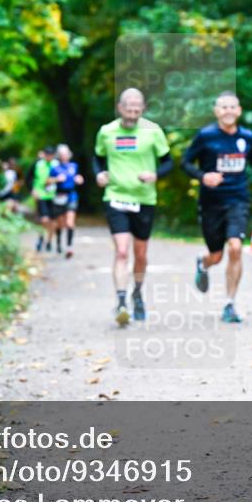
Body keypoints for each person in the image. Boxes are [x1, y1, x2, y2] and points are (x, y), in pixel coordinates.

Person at [183, 91, 252, 323]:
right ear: (216, 111)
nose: (228, 111)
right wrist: (203, 176)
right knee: (216, 256)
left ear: (239, 111)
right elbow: (185, 162)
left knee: (236, 247)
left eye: (232, 107)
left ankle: (229, 304)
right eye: (223, 107)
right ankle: (203, 263)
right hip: (211, 203)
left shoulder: (247, 136)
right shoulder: (205, 136)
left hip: (238, 199)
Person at [93, 88, 173, 326]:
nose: (133, 109)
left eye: (137, 105)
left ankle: (137, 292)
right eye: (129, 104)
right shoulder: (106, 131)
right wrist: (99, 174)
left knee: (140, 254)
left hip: (144, 199)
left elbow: (168, 162)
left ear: (143, 108)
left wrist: (155, 175)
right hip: (115, 196)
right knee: (121, 251)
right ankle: (120, 302)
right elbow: (97, 158)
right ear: (120, 107)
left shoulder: (153, 131)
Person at [49, 144, 84, 258]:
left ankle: (69, 247)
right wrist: (56, 179)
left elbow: (77, 177)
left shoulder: (74, 166)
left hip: (71, 196)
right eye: (62, 154)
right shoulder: (54, 168)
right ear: (59, 155)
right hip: (59, 196)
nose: (64, 156)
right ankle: (59, 242)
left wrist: (79, 179)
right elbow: (47, 182)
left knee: (69, 223)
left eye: (66, 153)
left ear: (69, 155)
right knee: (60, 223)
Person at [30, 146, 57, 252]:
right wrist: (32, 190)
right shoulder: (37, 164)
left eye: (51, 155)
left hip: (54, 196)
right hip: (41, 195)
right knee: (44, 219)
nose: (49, 157)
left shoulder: (56, 164)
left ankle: (49, 241)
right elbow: (29, 178)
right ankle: (41, 237)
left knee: (53, 221)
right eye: (47, 155)